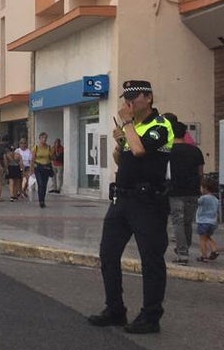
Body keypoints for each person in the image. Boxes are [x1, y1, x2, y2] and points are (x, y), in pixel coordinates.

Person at [88, 80, 175, 334]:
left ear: (148, 98)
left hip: (148, 202)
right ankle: (115, 309)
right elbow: (122, 157)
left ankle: (151, 316)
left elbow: (138, 151)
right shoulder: (132, 128)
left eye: (134, 97)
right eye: (126, 98)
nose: (128, 103)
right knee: (108, 254)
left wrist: (126, 126)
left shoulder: (160, 126)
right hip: (122, 200)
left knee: (151, 259)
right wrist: (119, 141)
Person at [166, 120, 204, 266]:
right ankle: (185, 247)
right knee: (187, 222)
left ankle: (183, 254)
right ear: (184, 133)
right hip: (192, 191)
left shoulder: (168, 151)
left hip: (175, 191)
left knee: (177, 222)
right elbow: (200, 172)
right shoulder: (195, 151)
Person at [195, 178, 219, 263]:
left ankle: (204, 256)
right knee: (207, 237)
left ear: (205, 188)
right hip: (212, 222)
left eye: (201, 187)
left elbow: (196, 203)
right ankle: (214, 249)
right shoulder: (216, 199)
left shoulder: (203, 198)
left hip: (203, 221)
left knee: (202, 239)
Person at [32, 132, 53, 208]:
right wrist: (31, 169)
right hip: (38, 167)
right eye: (43, 138)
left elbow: (51, 158)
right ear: (40, 139)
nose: (44, 140)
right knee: (40, 184)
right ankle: (41, 201)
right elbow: (33, 158)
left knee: (44, 185)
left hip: (46, 168)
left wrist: (51, 154)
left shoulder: (49, 147)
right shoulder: (36, 147)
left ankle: (43, 199)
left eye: (45, 138)